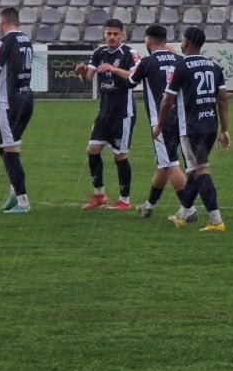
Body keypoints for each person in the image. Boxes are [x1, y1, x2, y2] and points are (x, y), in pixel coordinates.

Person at [98, 25, 194, 221]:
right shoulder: (179, 60)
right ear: (165, 41)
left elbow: (130, 81)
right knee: (164, 163)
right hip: (182, 119)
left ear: (148, 41)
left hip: (161, 120)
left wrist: (113, 69)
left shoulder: (147, 62)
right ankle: (148, 205)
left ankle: (189, 208)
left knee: (170, 165)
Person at [157, 26, 230, 232]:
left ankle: (216, 220)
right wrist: (225, 129)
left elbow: (167, 100)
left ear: (187, 42)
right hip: (210, 126)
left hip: (191, 128)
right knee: (195, 169)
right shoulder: (214, 67)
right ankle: (182, 215)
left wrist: (160, 125)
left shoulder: (181, 66)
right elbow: (222, 99)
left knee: (200, 170)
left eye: (183, 39)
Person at [75, 18, 139, 210]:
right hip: (104, 112)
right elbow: (88, 77)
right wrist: (81, 72)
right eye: (108, 33)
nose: (111, 37)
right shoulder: (99, 53)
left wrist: (113, 69)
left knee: (120, 156)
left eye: (115, 34)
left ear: (122, 35)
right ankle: (99, 195)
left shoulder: (129, 53)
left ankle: (124, 200)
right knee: (93, 149)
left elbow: (135, 76)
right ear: (104, 34)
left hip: (123, 113)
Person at [0, 7, 35, 214]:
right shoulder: (24, 39)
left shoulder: (5, 41)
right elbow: (3, 59)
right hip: (25, 98)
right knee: (2, 144)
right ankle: (15, 190)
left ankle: (22, 201)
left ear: (2, 24)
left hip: (8, 103)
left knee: (10, 150)